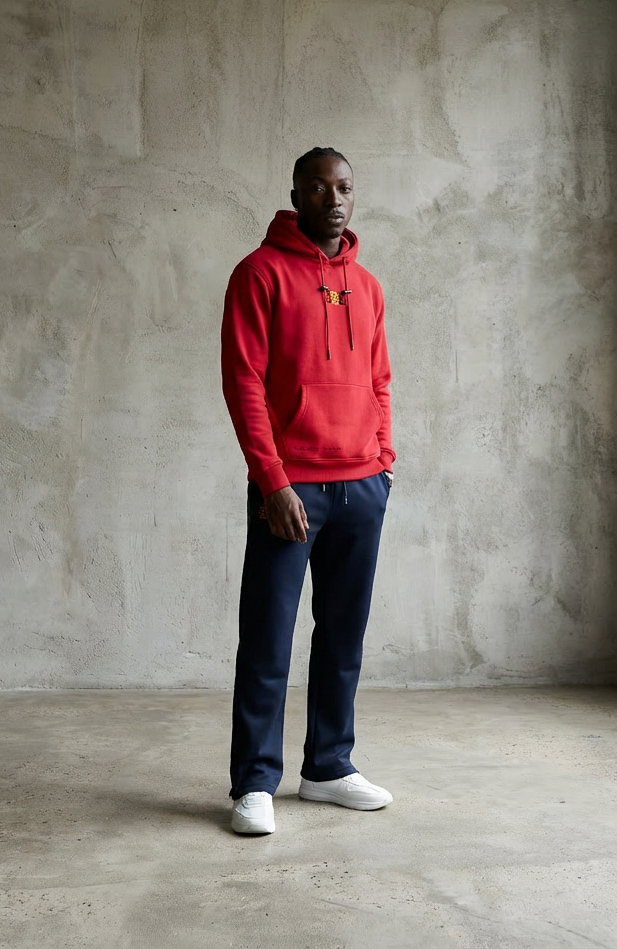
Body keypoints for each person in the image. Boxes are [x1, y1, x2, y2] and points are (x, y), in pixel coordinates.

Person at [220, 147, 396, 835]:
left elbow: (381, 381)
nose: (333, 198)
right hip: (290, 491)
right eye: (319, 187)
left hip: (361, 486)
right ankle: (254, 783)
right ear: (295, 193)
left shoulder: (370, 286)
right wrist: (273, 481)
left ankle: (327, 766)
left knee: (343, 637)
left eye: (345, 186)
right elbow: (244, 385)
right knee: (267, 639)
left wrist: (382, 463)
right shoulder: (258, 275)